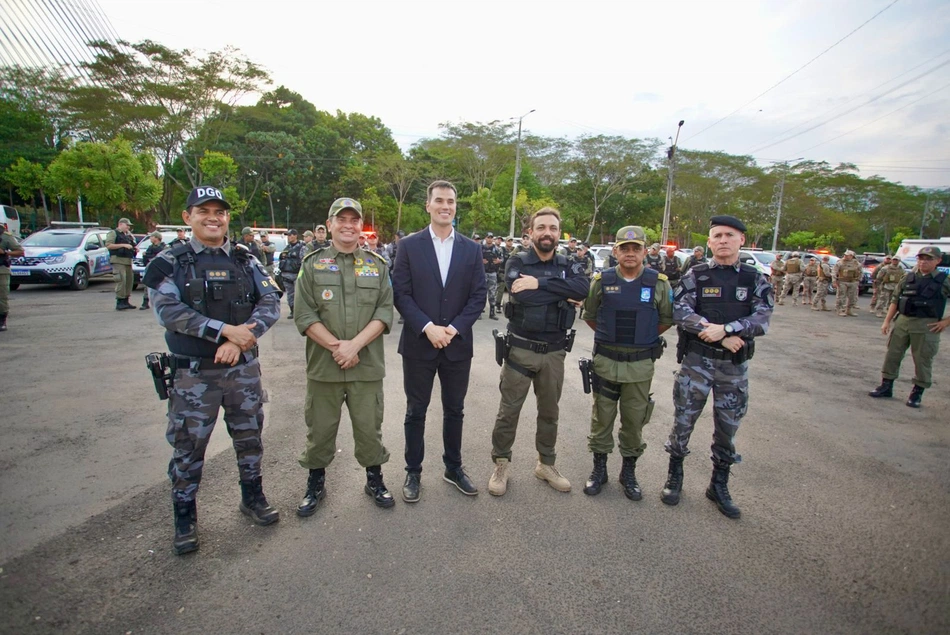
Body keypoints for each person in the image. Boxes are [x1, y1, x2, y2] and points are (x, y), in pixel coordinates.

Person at [143, 185, 281, 555]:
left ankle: (252, 497)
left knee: (250, 439)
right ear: (188, 218)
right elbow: (168, 312)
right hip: (193, 376)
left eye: (219, 211)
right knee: (188, 448)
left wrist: (239, 340)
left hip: (242, 373)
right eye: (203, 211)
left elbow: (270, 302)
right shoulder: (170, 261)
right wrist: (220, 331)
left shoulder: (245, 259)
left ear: (227, 218)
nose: (213, 217)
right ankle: (185, 518)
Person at [661, 215, 773, 519]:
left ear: (741, 241)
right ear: (709, 242)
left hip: (733, 369)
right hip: (697, 363)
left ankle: (719, 484)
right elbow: (680, 312)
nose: (723, 240)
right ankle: (675, 477)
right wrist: (717, 334)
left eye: (729, 235)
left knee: (727, 428)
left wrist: (726, 329)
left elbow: (762, 318)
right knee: (683, 421)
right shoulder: (696, 275)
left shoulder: (754, 278)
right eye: (717, 236)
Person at [293, 197, 396, 514]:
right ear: (330, 224)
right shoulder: (311, 265)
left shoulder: (377, 267)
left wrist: (354, 346)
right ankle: (315, 482)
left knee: (369, 430)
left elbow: (384, 312)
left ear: (361, 226)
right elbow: (305, 316)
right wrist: (339, 347)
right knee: (320, 431)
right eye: (342, 219)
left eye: (354, 220)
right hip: (325, 367)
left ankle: (374, 478)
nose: (348, 225)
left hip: (366, 368)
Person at [392, 180, 487, 502]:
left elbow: (478, 295)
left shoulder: (472, 249)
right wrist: (428, 327)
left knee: (455, 410)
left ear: (455, 207)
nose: (445, 206)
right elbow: (401, 293)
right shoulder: (409, 245)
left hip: (457, 345)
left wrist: (454, 329)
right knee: (416, 410)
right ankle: (413, 471)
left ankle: (453, 467)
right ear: (428, 206)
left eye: (451, 201)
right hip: (420, 344)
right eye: (439, 201)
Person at [487, 207, 590, 496]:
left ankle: (546, 463)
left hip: (555, 352)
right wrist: (560, 290)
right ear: (530, 232)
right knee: (508, 412)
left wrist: (540, 283)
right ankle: (501, 463)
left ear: (559, 233)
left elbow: (583, 289)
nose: (547, 233)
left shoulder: (569, 262)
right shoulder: (517, 260)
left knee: (549, 412)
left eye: (553, 228)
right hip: (520, 350)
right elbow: (522, 295)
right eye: (541, 227)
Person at [581, 226, 673, 500]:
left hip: (640, 367)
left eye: (636, 249)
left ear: (645, 251)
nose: (630, 253)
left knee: (634, 421)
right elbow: (590, 316)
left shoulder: (659, 283)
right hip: (606, 363)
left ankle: (628, 472)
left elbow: (666, 320)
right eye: (624, 248)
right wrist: (613, 338)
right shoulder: (601, 280)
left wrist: (640, 339)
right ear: (616, 251)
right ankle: (599, 470)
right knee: (602, 419)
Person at [869, 246, 949, 408]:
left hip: (926, 325)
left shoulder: (943, 280)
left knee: (922, 359)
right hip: (903, 321)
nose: (923, 262)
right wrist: (887, 321)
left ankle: (917, 392)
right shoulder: (908, 277)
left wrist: (946, 321)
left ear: (938, 261)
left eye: (928, 259)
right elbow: (896, 300)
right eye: (921, 258)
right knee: (893, 354)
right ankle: (886, 386)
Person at [106, 217, 137, 311]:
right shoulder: (113, 233)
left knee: (128, 281)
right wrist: (123, 245)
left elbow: (132, 244)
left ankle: (126, 300)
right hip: (118, 260)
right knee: (121, 280)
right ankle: (120, 301)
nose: (128, 227)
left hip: (127, 260)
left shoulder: (127, 235)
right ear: (120, 224)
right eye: (127, 225)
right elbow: (108, 245)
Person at [0, 223, 25, 331]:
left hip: (1, 271)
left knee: (1, 297)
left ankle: (2, 320)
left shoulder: (4, 236)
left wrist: (5, 252)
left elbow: (20, 252)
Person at [280, 229, 305, 319]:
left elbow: (304, 261)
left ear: (295, 236)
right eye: (288, 235)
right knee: (290, 294)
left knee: (298, 294)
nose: (289, 237)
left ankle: (299, 312)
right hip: (286, 275)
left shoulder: (301, 247)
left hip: (297, 274)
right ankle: (292, 311)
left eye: (290, 235)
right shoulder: (287, 248)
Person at [139, 231, 165, 310]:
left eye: (152, 237)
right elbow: (146, 259)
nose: (150, 238)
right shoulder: (150, 247)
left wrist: (149, 256)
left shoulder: (163, 247)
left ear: (156, 238)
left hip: (160, 269)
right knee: (147, 285)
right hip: (150, 268)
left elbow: (161, 257)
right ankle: (145, 302)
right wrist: (146, 256)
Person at [833, 250, 862, 316]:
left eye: (847, 255)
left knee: (852, 297)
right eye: (845, 255)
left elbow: (860, 272)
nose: (845, 256)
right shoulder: (840, 263)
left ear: (851, 256)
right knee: (841, 296)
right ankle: (839, 309)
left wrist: (858, 280)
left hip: (853, 282)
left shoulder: (856, 263)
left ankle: (849, 310)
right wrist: (834, 281)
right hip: (842, 281)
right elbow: (834, 272)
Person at [481, 233, 503, 320]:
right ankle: (479, 312)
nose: (490, 239)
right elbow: (474, 258)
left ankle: (492, 313)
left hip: (492, 272)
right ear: (485, 238)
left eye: (491, 238)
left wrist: (499, 261)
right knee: (481, 293)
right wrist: (481, 260)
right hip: (483, 272)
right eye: (488, 237)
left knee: (492, 293)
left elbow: (502, 258)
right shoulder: (481, 248)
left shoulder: (496, 249)